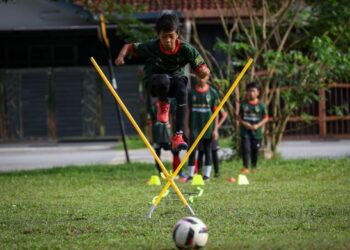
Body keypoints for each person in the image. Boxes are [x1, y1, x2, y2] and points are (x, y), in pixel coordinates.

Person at [115, 12, 210, 152]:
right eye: (164, 37)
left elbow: (202, 67)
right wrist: (121, 56)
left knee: (183, 89)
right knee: (163, 79)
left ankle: (178, 136)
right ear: (158, 36)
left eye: (171, 36)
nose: (168, 41)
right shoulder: (152, 46)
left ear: (177, 34)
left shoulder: (186, 49)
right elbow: (129, 46)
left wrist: (203, 72)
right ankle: (163, 102)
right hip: (154, 82)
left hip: (175, 82)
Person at [186, 74, 219, 181]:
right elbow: (188, 111)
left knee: (207, 149)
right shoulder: (191, 92)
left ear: (208, 77)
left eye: (204, 77)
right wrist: (187, 127)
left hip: (208, 127)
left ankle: (207, 175)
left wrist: (215, 129)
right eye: (200, 76)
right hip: (194, 126)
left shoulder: (213, 93)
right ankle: (191, 175)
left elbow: (216, 112)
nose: (201, 79)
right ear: (196, 77)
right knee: (192, 149)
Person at [147, 97, 186, 179]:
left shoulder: (169, 103)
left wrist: (173, 132)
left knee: (175, 151)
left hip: (167, 134)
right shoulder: (152, 106)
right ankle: (161, 172)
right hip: (157, 134)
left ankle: (179, 172)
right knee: (157, 154)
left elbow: (171, 118)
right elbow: (150, 123)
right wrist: (151, 137)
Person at [237, 82, 269, 174]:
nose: (251, 93)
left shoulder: (261, 105)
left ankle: (254, 165)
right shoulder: (244, 105)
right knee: (246, 148)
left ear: (258, 93)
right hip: (245, 131)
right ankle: (246, 167)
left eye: (253, 91)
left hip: (257, 132)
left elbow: (266, 118)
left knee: (255, 150)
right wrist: (245, 124)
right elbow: (239, 117)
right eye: (249, 91)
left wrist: (257, 126)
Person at [197, 107, 228, 178]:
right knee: (201, 151)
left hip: (212, 131)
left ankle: (217, 173)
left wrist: (216, 127)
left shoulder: (215, 100)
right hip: (201, 129)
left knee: (214, 150)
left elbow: (224, 114)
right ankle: (199, 173)